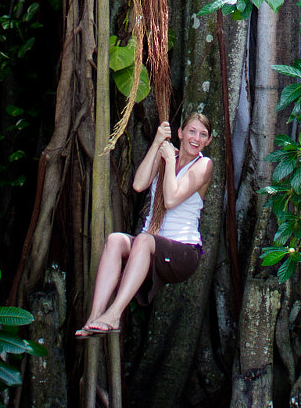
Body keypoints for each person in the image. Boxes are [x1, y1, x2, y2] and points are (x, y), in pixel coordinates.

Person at [75, 110, 213, 336]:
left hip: (183, 253)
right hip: (150, 248)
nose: (196, 138)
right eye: (191, 131)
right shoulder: (167, 156)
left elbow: (170, 199)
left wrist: (169, 160)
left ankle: (114, 314)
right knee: (115, 240)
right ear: (180, 133)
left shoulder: (203, 165)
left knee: (144, 240)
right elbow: (138, 184)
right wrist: (158, 143)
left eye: (202, 134)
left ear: (208, 141)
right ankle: (95, 316)